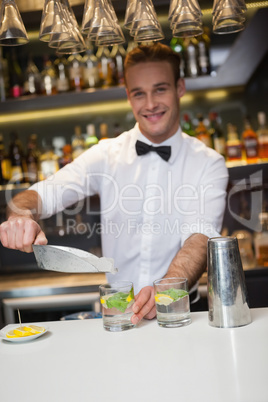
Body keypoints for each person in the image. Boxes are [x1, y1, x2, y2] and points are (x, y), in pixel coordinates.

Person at [0, 43, 229, 325]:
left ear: (179, 87)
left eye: (160, 89)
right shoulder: (105, 155)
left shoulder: (209, 163)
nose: (150, 104)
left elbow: (200, 235)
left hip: (180, 309)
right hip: (118, 311)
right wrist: (21, 215)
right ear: (128, 96)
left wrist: (166, 290)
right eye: (139, 93)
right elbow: (42, 194)